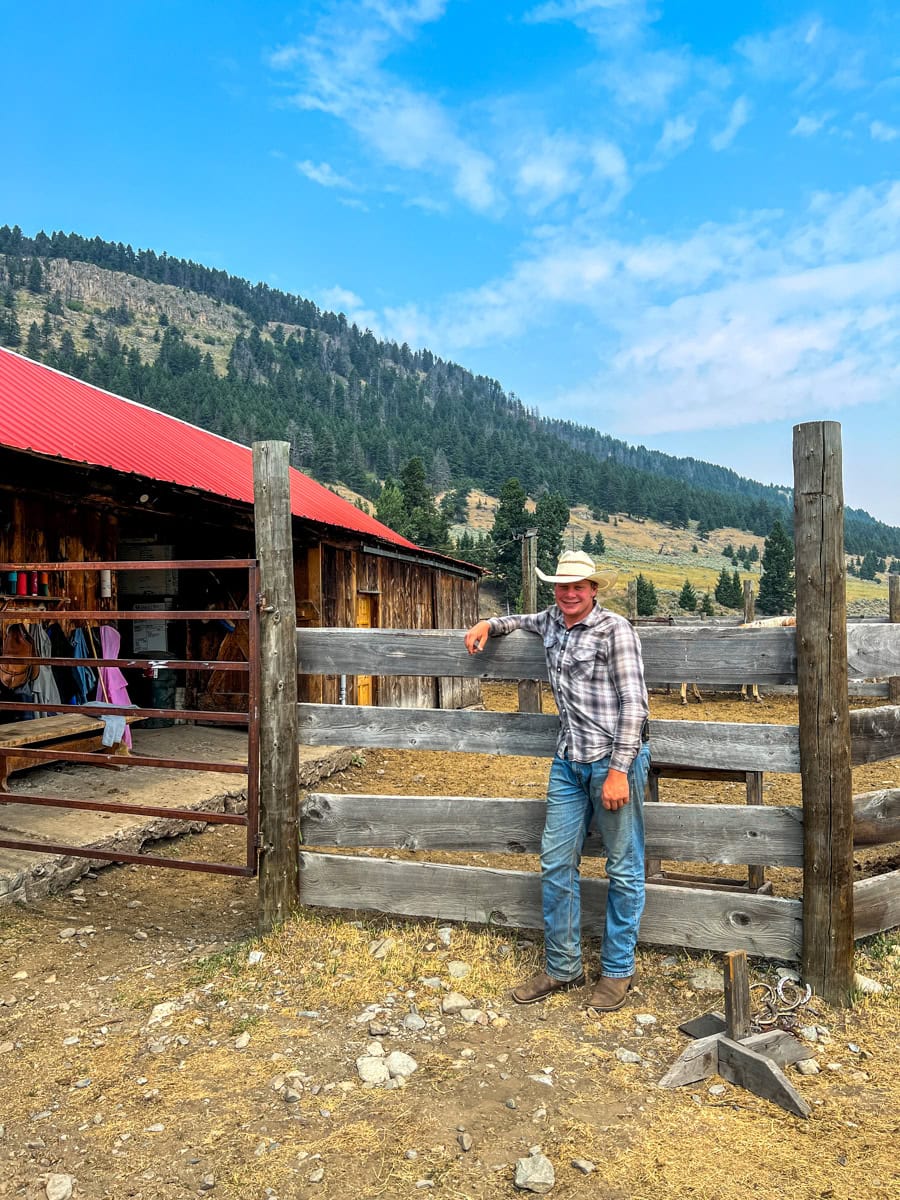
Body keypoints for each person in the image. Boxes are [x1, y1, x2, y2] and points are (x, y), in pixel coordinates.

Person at [465, 550, 650, 1013]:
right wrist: (489, 624)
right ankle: (563, 965)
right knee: (555, 861)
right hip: (569, 760)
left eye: (578, 586)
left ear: (593, 589)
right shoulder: (551, 620)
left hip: (612, 760)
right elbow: (520, 620)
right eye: (562, 586)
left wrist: (619, 771)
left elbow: (635, 703)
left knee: (623, 867)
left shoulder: (615, 630)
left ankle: (617, 970)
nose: (569, 593)